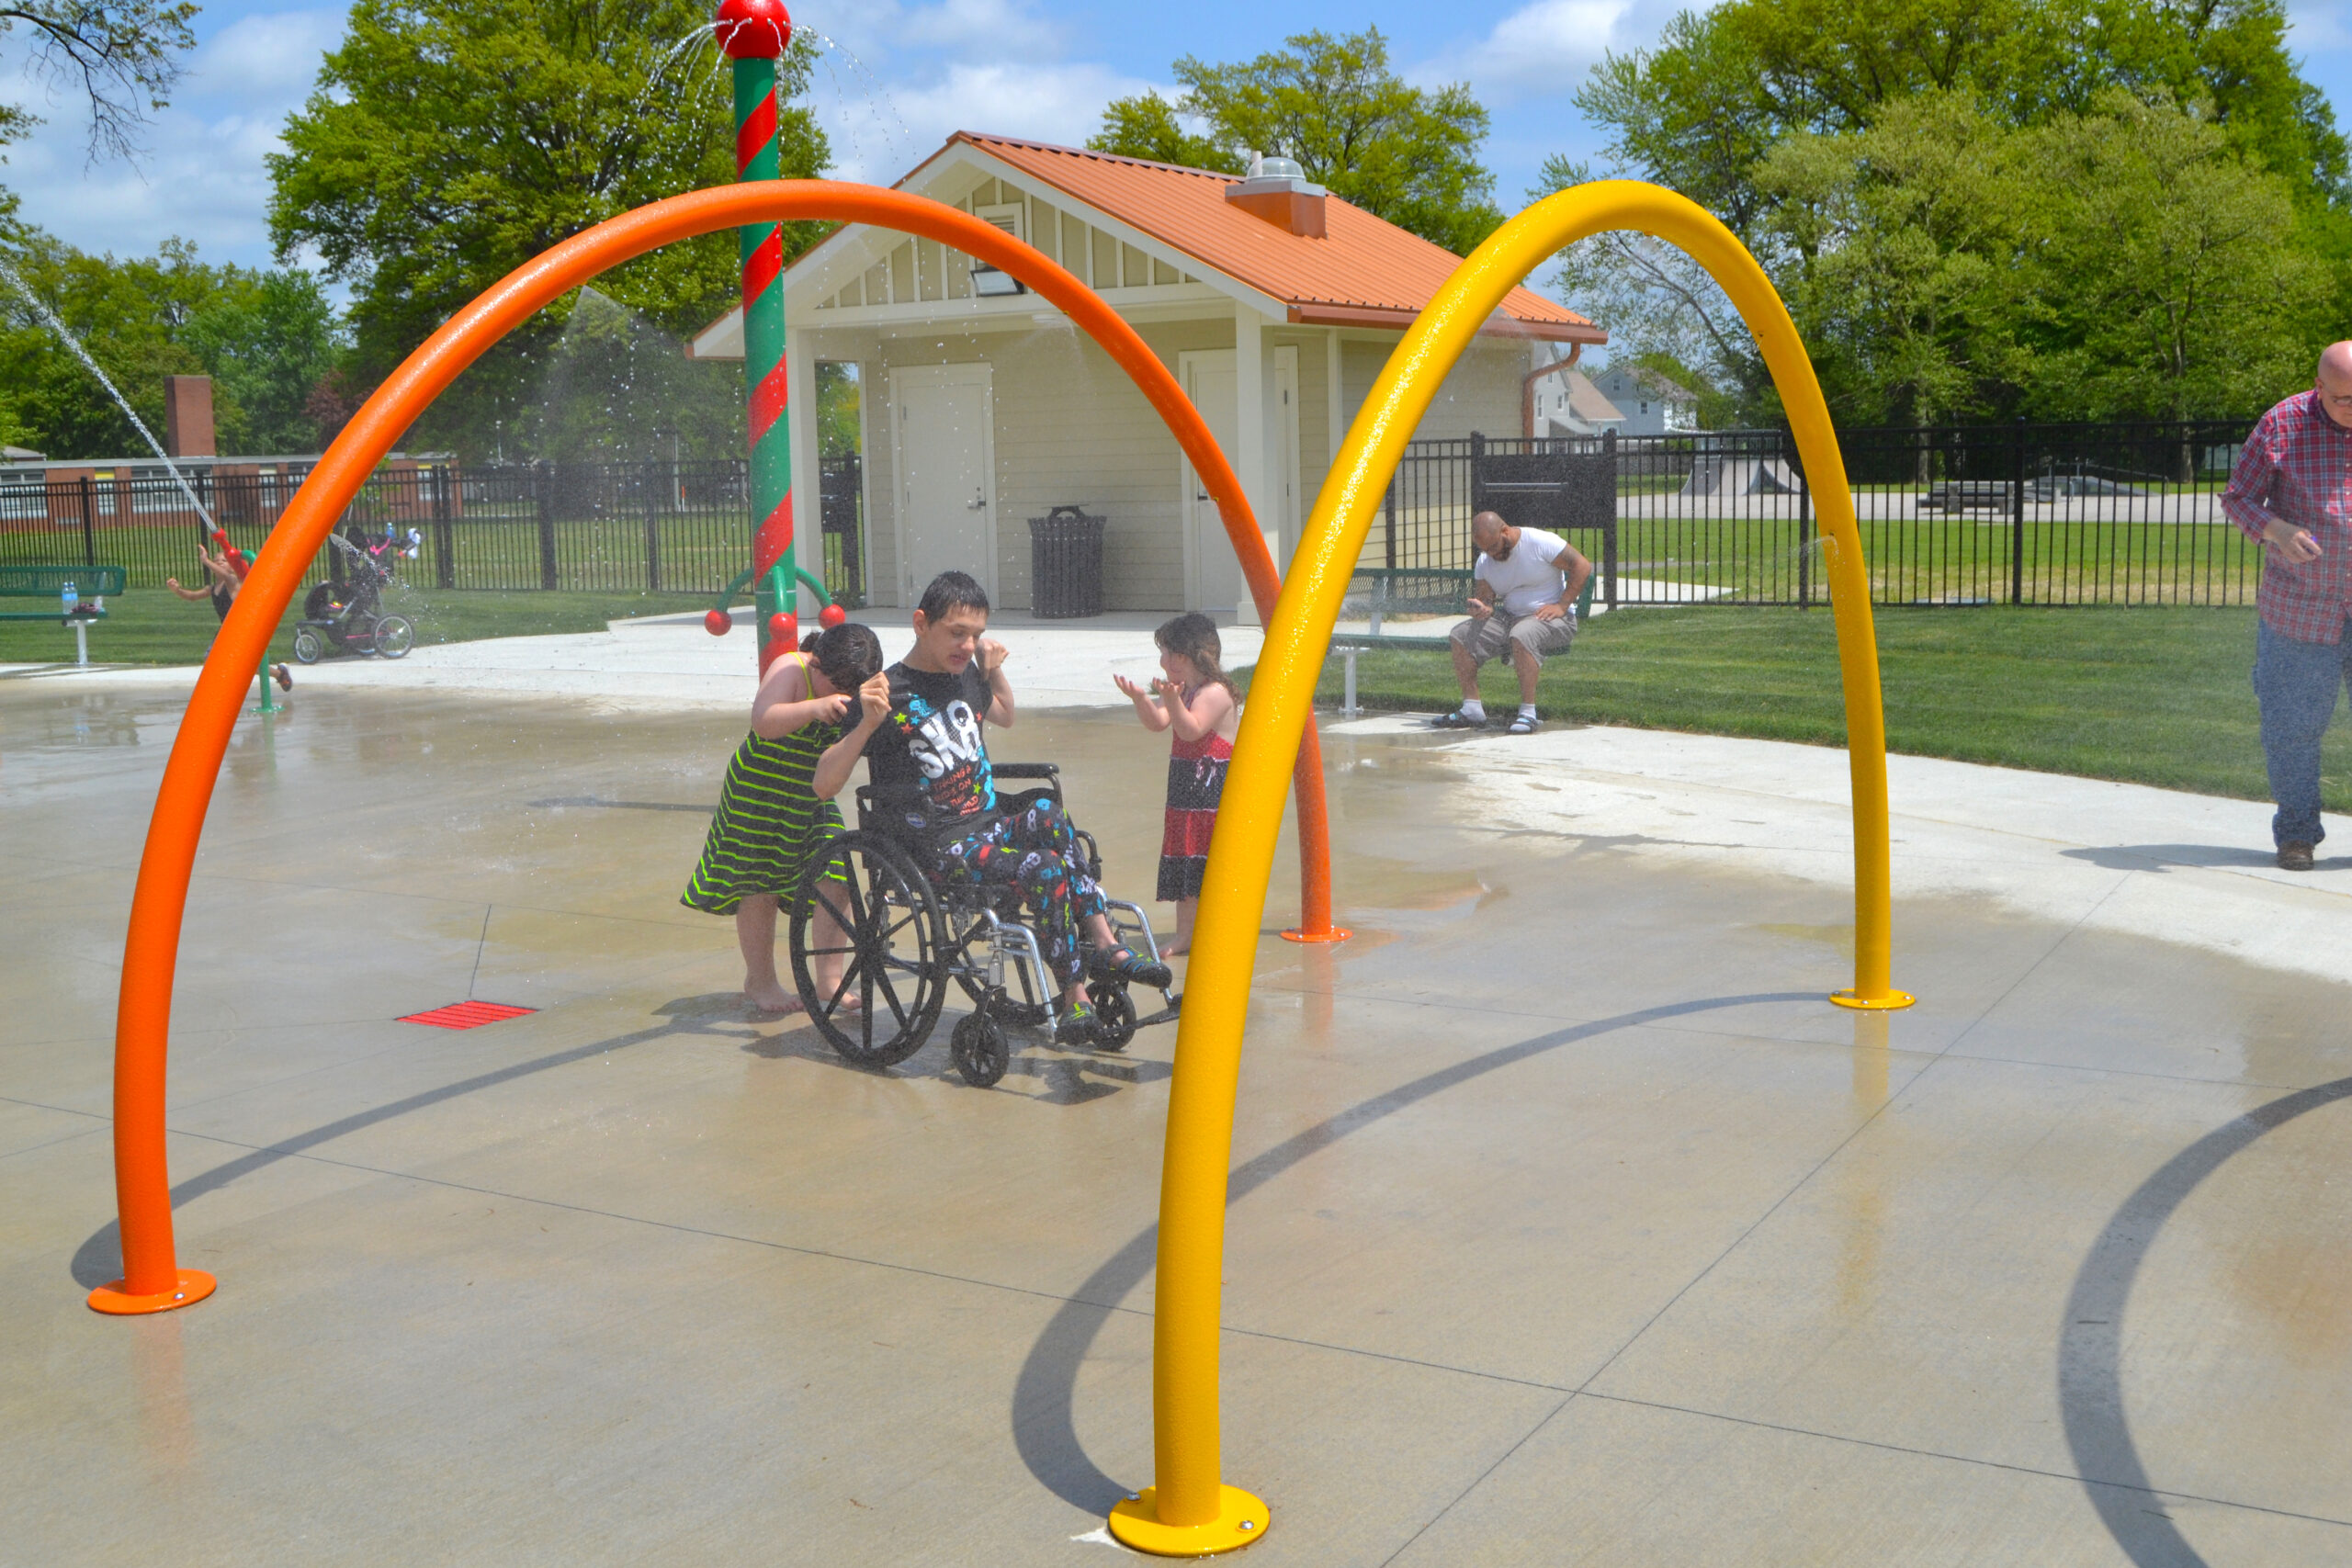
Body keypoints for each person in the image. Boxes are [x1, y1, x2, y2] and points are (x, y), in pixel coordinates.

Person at [865, 570, 1169, 1043]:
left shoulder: (964, 673)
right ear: (921, 623)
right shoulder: (886, 690)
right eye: (957, 633)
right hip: (939, 846)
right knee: (1045, 867)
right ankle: (1074, 997)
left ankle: (1105, 943)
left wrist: (990, 668)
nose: (967, 645)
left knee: (1046, 810)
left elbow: (1004, 714)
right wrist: (866, 723)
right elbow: (826, 782)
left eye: (976, 635)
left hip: (987, 827)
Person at [681, 620, 890, 1011]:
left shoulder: (853, 691)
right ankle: (760, 981)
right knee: (760, 885)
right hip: (758, 793)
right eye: (837, 686)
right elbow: (763, 719)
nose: (843, 696)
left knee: (838, 872)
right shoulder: (793, 668)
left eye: (852, 690)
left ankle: (829, 978)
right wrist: (813, 707)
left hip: (810, 797)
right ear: (818, 665)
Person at [2224, 341, 2352, 871]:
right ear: (2317, 387)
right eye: (2344, 399)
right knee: (2292, 727)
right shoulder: (2282, 424)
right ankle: (2297, 835)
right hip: (2301, 609)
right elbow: (2238, 497)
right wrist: (2277, 530)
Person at [1114, 612, 1239, 954]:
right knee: (1187, 867)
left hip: (1213, 798)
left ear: (1190, 657)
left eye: (1169, 653)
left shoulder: (1216, 692)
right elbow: (1158, 723)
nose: (1163, 660)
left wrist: (1170, 699)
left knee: (1213, 868)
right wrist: (1142, 700)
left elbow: (1191, 728)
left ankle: (1220, 929)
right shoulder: (1183, 690)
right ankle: (1186, 934)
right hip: (1187, 797)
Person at [1435, 510, 1593, 736]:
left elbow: (1582, 566)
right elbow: (1486, 598)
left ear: (1505, 531)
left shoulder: (1539, 542)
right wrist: (1483, 609)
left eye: (1492, 547)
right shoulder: (1485, 561)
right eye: (1484, 550)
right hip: (1509, 617)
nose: (1490, 554)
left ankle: (1528, 713)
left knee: (1521, 633)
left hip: (1553, 618)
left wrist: (1562, 605)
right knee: (1460, 635)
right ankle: (1472, 709)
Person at [164, 544, 294, 692]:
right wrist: (177, 590)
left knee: (249, 665)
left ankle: (279, 674)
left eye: (223, 561)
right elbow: (193, 596)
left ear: (232, 566)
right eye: (216, 560)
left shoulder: (233, 581)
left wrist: (206, 561)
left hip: (241, 628)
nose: (219, 562)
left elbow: (225, 576)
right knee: (211, 660)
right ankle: (222, 689)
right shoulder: (212, 588)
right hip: (226, 629)